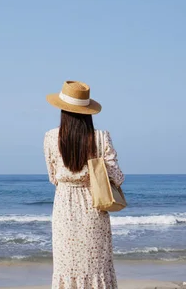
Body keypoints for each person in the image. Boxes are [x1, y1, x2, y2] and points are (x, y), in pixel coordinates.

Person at [43, 80, 125, 289]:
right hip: (93, 207)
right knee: (96, 267)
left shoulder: (51, 138)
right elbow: (117, 177)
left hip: (64, 209)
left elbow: (53, 177)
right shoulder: (100, 138)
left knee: (67, 266)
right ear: (88, 112)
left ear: (63, 110)